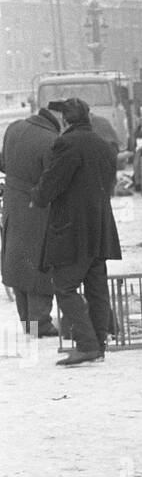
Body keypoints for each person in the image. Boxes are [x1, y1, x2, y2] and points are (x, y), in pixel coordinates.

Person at [32, 98, 120, 366]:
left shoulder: (67, 143)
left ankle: (87, 344)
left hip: (73, 229)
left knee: (65, 286)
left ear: (66, 120)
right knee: (96, 287)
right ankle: (99, 343)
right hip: (100, 225)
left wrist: (37, 196)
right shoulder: (103, 145)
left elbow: (53, 180)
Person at [0, 103, 60, 336]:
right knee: (39, 266)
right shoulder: (51, 140)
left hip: (12, 208)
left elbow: (4, 163)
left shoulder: (14, 128)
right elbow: (53, 180)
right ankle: (40, 323)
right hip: (38, 211)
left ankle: (29, 323)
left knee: (18, 265)